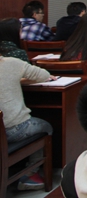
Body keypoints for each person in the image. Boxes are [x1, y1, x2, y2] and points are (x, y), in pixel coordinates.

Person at [0, 52, 54, 190]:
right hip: (14, 130)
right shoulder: (11, 63)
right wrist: (18, 79)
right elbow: (44, 75)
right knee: (47, 127)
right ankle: (30, 175)